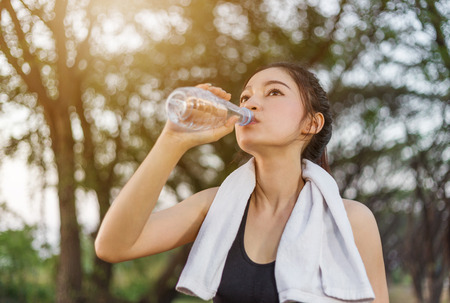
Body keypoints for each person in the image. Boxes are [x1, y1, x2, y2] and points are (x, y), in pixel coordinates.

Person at [95, 62, 389, 302]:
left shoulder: (351, 221)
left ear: (311, 123)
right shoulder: (216, 206)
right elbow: (113, 246)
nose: (252, 103)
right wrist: (172, 140)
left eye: (273, 93)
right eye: (245, 98)